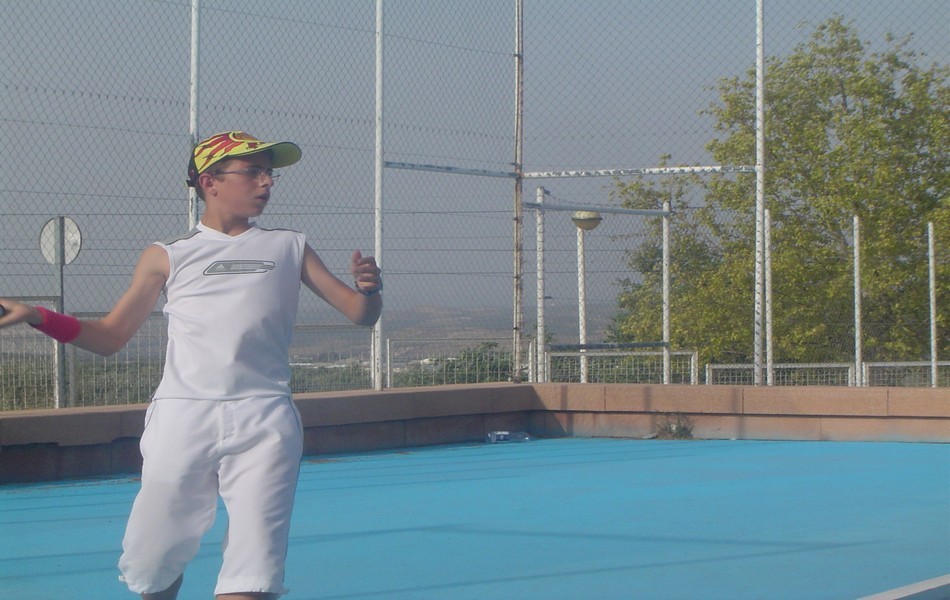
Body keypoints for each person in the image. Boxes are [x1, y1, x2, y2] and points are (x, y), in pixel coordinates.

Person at [0, 131, 383, 599]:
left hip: (265, 418)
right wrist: (39, 316)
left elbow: (360, 314)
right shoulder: (167, 255)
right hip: (182, 417)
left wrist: (369, 290)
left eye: (269, 173)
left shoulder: (291, 246)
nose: (266, 182)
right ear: (210, 181)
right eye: (253, 171)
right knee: (153, 562)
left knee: (254, 567)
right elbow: (110, 337)